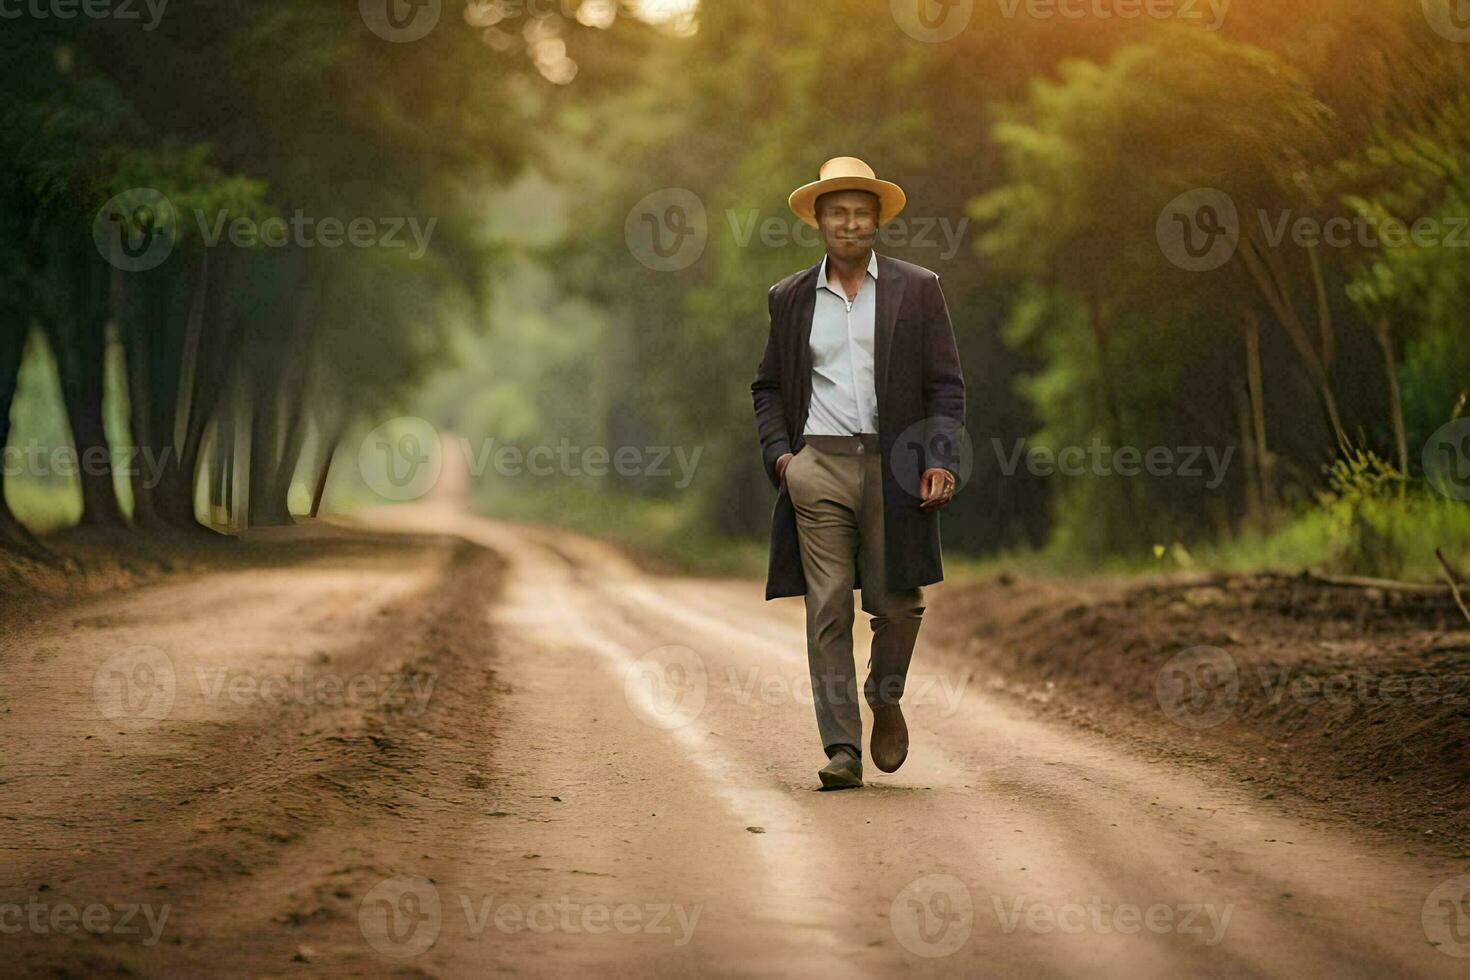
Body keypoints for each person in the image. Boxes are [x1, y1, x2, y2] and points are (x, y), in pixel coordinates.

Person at [751, 156, 966, 790]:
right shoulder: (789, 297)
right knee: (827, 610)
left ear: (877, 221)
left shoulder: (917, 288)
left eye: (861, 213)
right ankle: (842, 749)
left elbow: (946, 385)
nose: (850, 223)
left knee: (901, 606)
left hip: (897, 467)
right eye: (838, 212)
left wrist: (938, 458)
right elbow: (767, 385)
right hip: (817, 467)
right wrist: (783, 460)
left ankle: (884, 692)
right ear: (818, 221)